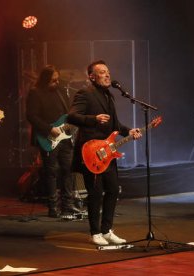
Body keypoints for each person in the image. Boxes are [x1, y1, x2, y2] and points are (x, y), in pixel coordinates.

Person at [67, 60, 142, 245]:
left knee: (113, 189)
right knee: (95, 192)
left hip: (107, 152)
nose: (107, 75)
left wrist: (128, 131)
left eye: (108, 71)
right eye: (102, 72)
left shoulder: (109, 96)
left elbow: (114, 125)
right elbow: (72, 116)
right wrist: (94, 119)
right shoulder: (85, 93)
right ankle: (95, 232)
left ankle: (107, 230)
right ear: (92, 77)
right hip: (91, 151)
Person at [26, 65, 80, 218]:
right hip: (47, 137)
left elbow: (68, 113)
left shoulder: (61, 91)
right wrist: (49, 129)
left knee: (68, 169)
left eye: (57, 80)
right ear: (44, 81)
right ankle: (53, 207)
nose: (56, 83)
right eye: (52, 81)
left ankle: (68, 206)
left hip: (65, 137)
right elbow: (31, 116)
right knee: (51, 171)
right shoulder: (35, 93)